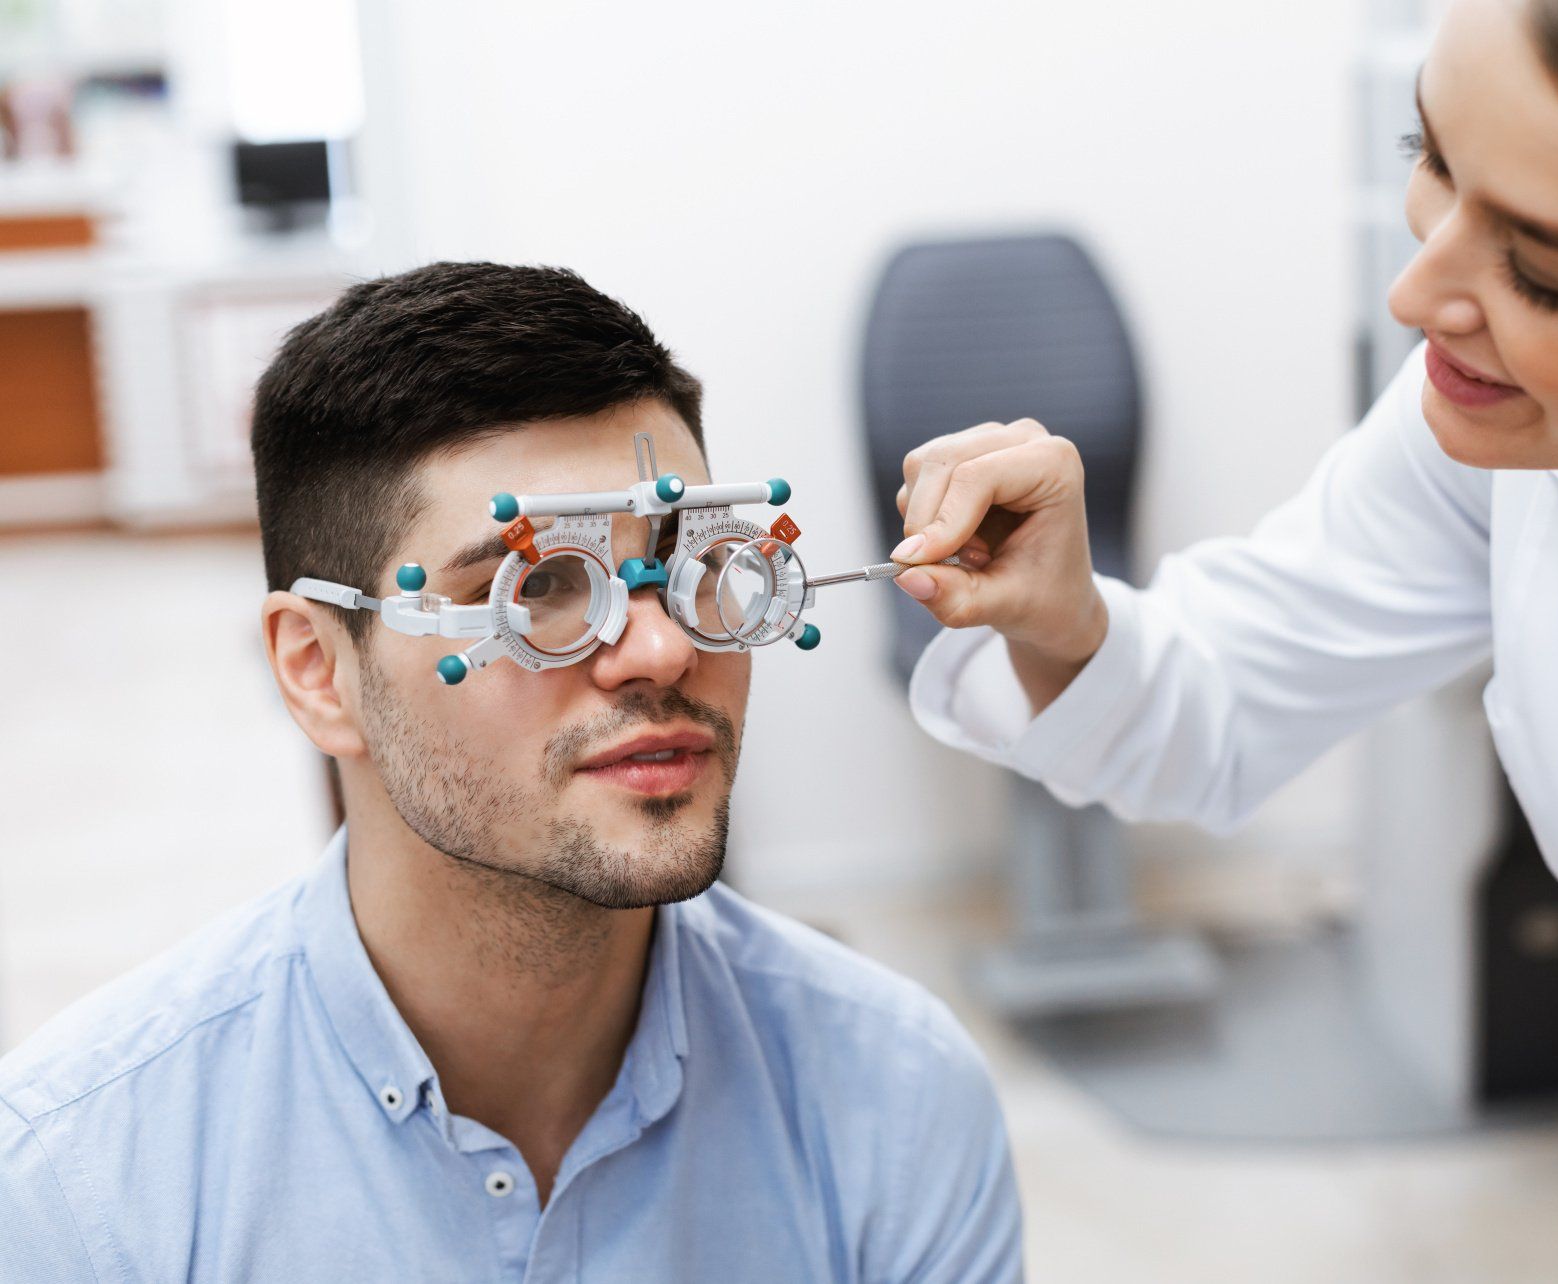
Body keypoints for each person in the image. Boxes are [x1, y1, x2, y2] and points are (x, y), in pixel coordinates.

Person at [890, 1, 1558, 1280]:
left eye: (1543, 270)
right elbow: (1217, 703)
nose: (1418, 290)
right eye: (1430, 158)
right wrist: (1063, 614)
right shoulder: (1522, 442)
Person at [0, 262, 1022, 1282]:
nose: (660, 651)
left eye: (695, 561)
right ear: (318, 672)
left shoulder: (897, 1099)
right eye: (535, 586)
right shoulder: (83, 1187)